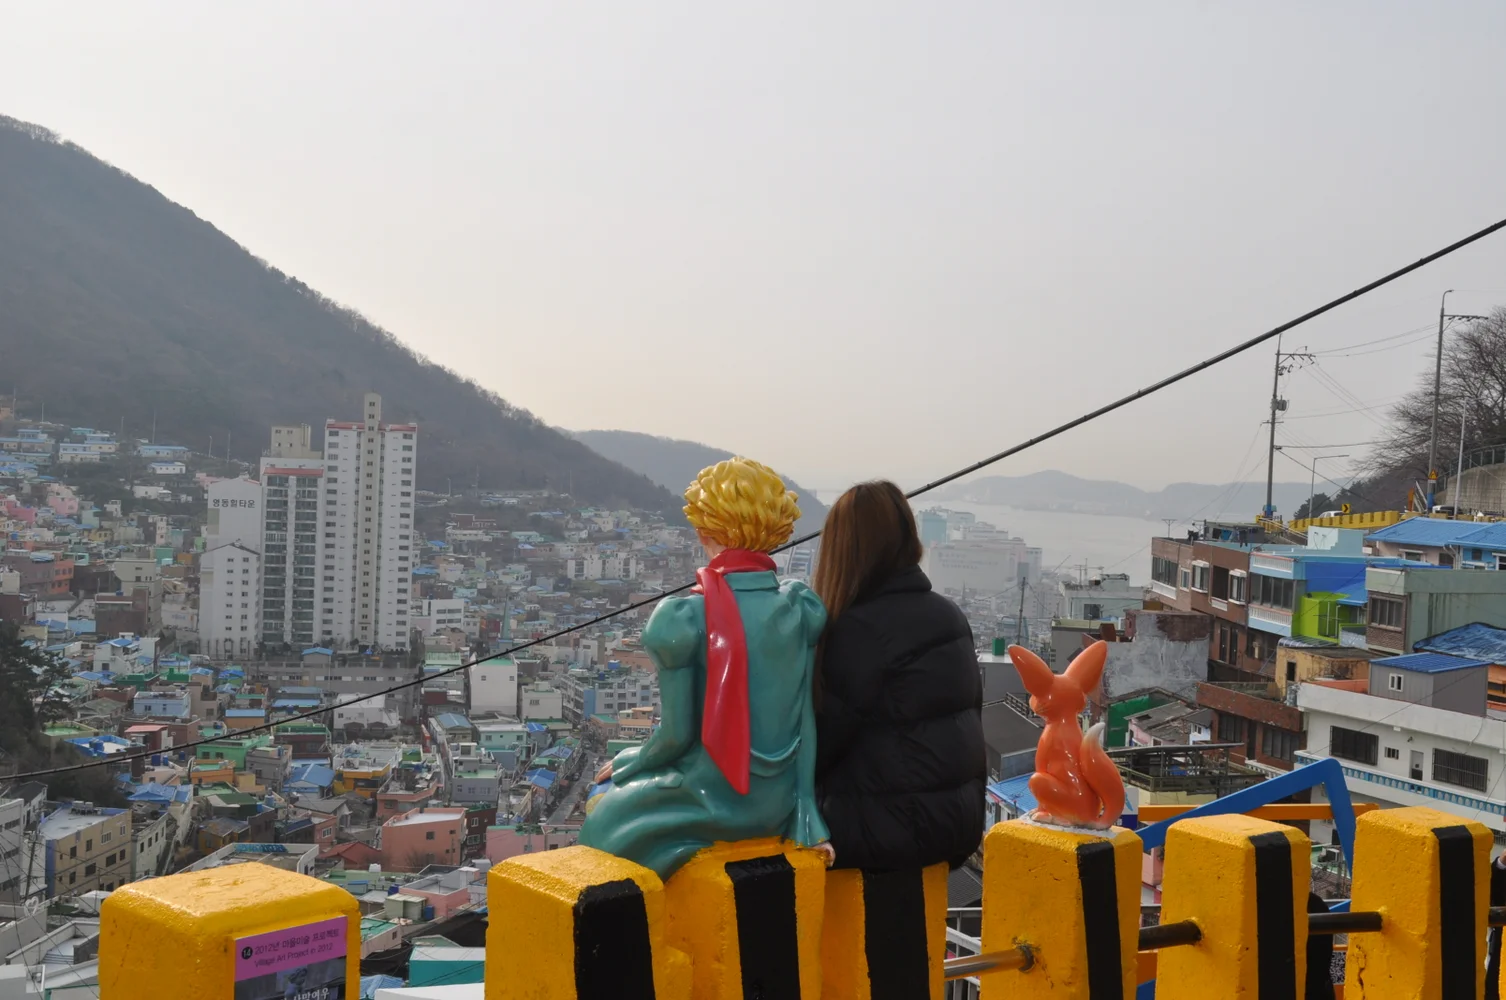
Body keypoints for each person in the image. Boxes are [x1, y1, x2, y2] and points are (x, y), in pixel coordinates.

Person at [578, 457, 832, 879]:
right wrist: (805, 812)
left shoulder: (683, 618)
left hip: (713, 795)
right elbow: (805, 722)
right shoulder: (800, 607)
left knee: (603, 816)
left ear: (703, 530)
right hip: (776, 803)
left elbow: (676, 737)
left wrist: (631, 761)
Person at [813, 480, 986, 871]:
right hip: (955, 826)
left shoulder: (858, 630)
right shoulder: (949, 614)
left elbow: (818, 745)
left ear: (841, 549)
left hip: (890, 831)